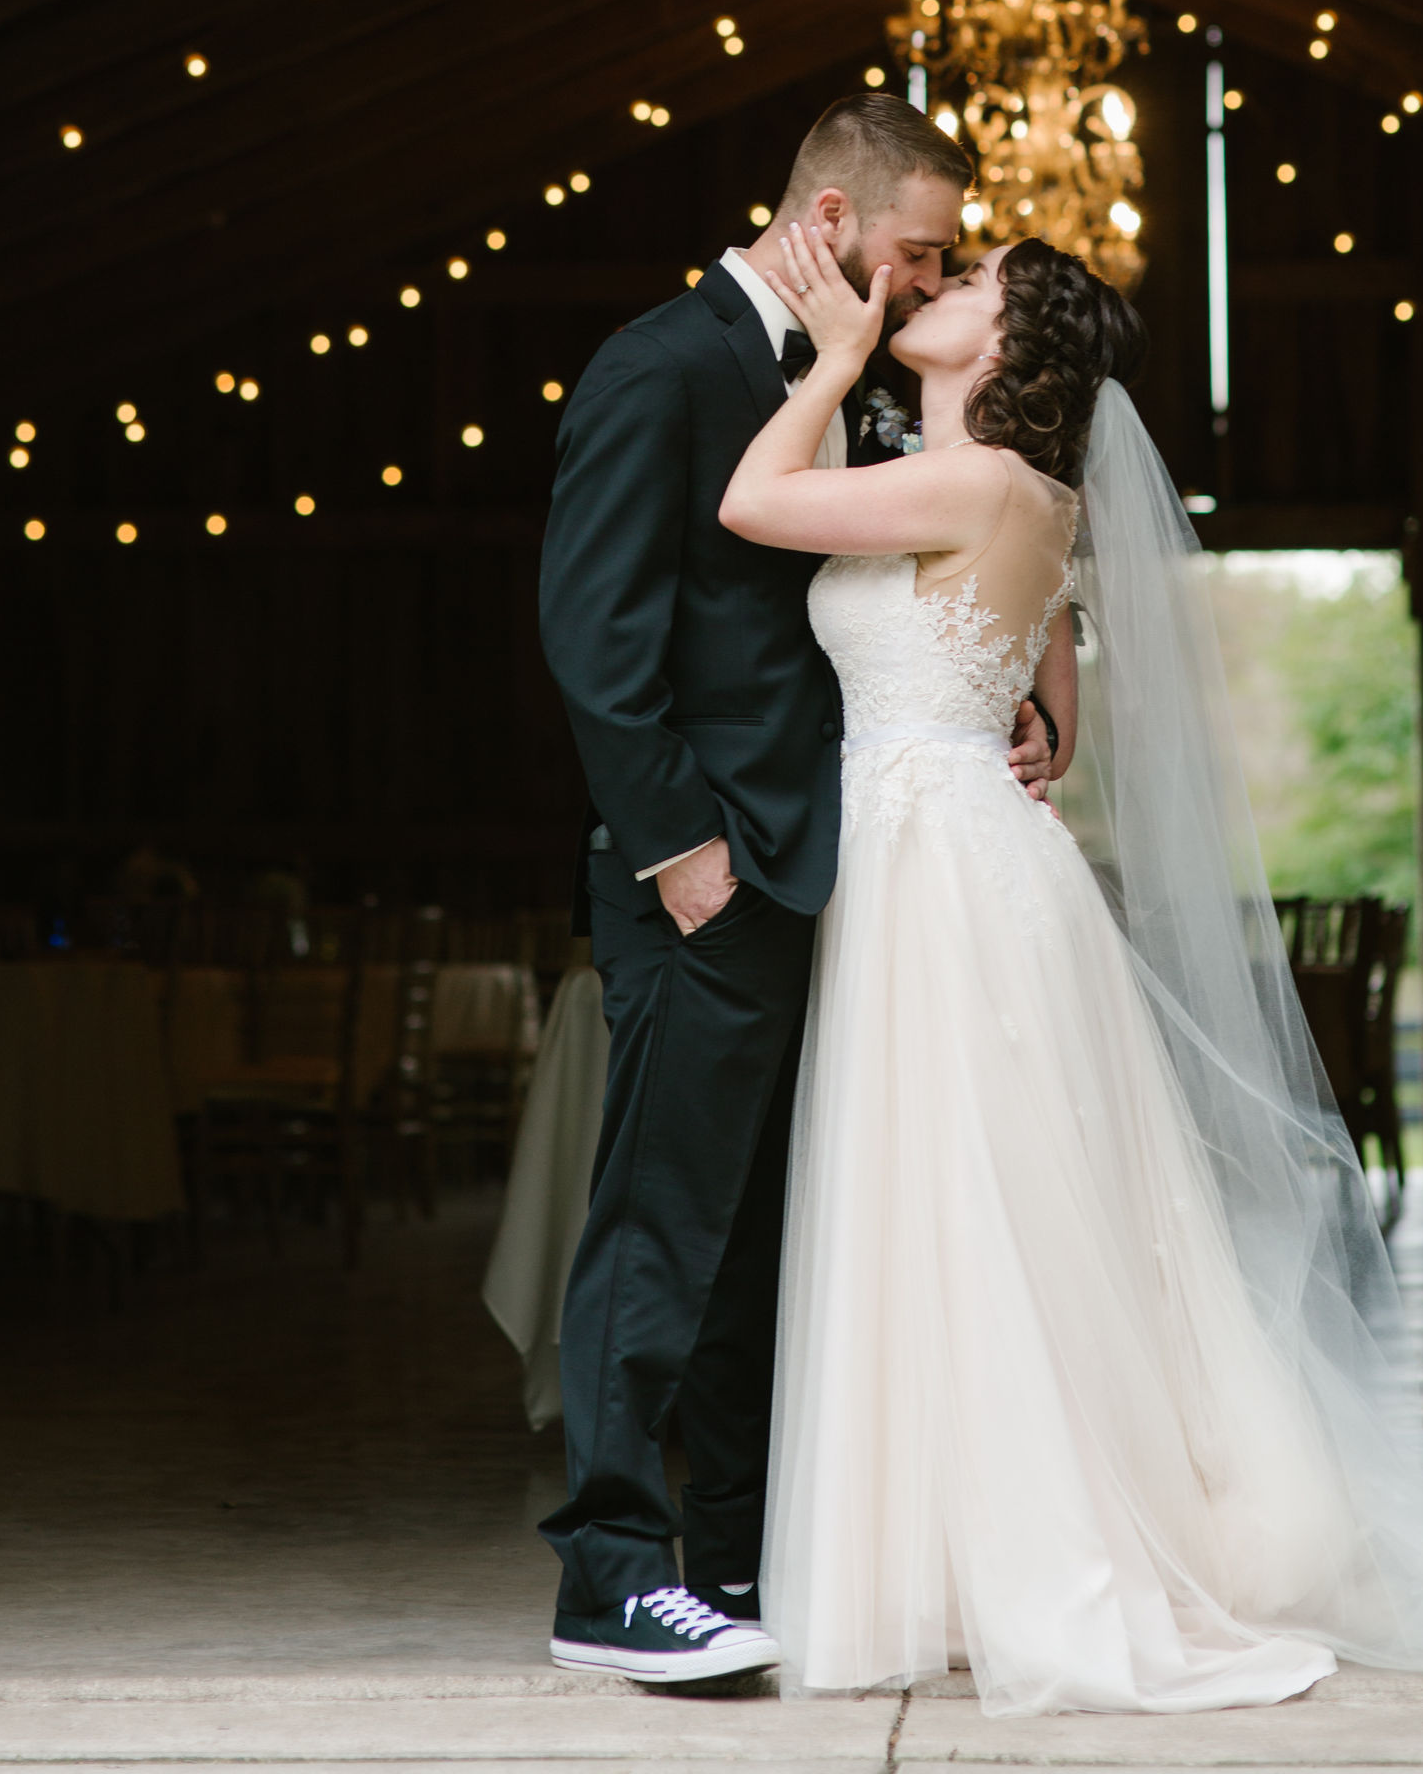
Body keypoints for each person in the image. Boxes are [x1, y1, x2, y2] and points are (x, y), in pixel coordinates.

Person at [721, 224, 1423, 1715]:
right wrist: (1043, 715)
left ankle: (1023, 1551)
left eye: (969, 282)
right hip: (939, 854)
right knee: (942, 1211)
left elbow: (750, 501)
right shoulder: (1020, 495)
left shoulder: (985, 480)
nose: (936, 290)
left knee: (983, 1215)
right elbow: (1045, 657)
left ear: (1008, 348)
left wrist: (838, 357)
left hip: (949, 880)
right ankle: (935, 1556)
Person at [535, 94, 1050, 1685]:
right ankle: (612, 1573)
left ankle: (745, 1566)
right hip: (709, 873)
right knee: (662, 1223)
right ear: (830, 227)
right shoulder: (662, 365)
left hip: (841, 877)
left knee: (762, 1244)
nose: (927, 280)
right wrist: (679, 852)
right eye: (918, 253)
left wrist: (996, 696)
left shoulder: (860, 397)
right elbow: (595, 634)